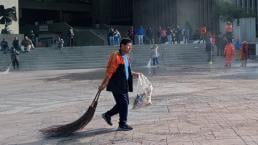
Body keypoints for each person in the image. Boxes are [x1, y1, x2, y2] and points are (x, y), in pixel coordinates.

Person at [99, 38, 141, 131]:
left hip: (124, 83)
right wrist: (104, 83)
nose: (130, 48)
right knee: (124, 103)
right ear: (122, 46)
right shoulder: (116, 56)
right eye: (128, 45)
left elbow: (127, 71)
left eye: (131, 46)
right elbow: (109, 71)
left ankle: (108, 114)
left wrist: (134, 74)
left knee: (124, 103)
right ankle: (122, 123)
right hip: (116, 83)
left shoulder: (127, 57)